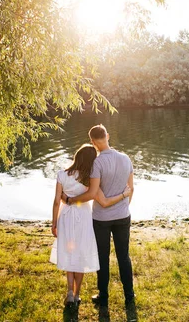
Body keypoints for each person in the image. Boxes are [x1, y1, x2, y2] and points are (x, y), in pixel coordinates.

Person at [64, 124, 135, 311]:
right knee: (124, 256)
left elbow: (93, 194)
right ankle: (129, 296)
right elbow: (131, 189)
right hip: (123, 216)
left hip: (102, 219)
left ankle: (103, 297)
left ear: (93, 142)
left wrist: (71, 200)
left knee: (102, 257)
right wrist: (123, 207)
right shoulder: (126, 158)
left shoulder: (97, 163)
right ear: (108, 136)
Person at [50, 144, 131, 307]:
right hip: (84, 216)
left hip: (66, 216)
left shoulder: (61, 174)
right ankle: (78, 294)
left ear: (77, 156)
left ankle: (70, 293)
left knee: (69, 251)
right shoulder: (89, 179)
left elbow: (56, 201)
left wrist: (54, 222)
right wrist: (124, 196)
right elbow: (97, 197)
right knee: (79, 254)